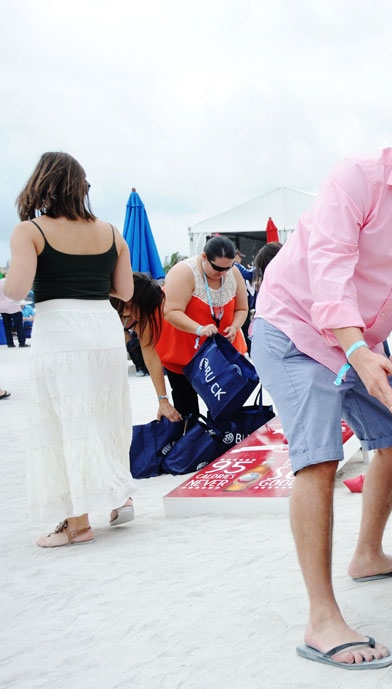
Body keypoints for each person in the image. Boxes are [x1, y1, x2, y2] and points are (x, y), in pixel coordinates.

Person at [252, 79, 392, 669]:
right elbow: (327, 268)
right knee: (319, 458)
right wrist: (355, 351)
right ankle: (322, 619)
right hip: (295, 330)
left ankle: (368, 554)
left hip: (362, 345)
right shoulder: (358, 176)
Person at [2, 152, 135, 547]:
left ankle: (77, 524)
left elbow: (15, 290)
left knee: (64, 422)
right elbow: (125, 292)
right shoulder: (112, 232)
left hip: (59, 331)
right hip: (103, 330)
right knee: (105, 416)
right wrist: (91, 284)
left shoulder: (30, 231)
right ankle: (116, 493)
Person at [153, 235, 249, 418]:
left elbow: (242, 308)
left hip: (220, 355)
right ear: (204, 257)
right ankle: (192, 441)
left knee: (227, 409)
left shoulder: (233, 273)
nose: (222, 273)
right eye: (217, 268)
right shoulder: (183, 272)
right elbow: (171, 311)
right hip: (185, 354)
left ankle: (224, 443)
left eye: (227, 268)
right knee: (187, 409)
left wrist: (236, 326)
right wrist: (199, 328)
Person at [112, 273, 182, 423]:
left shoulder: (141, 316)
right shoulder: (104, 305)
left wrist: (162, 400)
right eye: (143, 310)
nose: (140, 317)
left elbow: (150, 353)